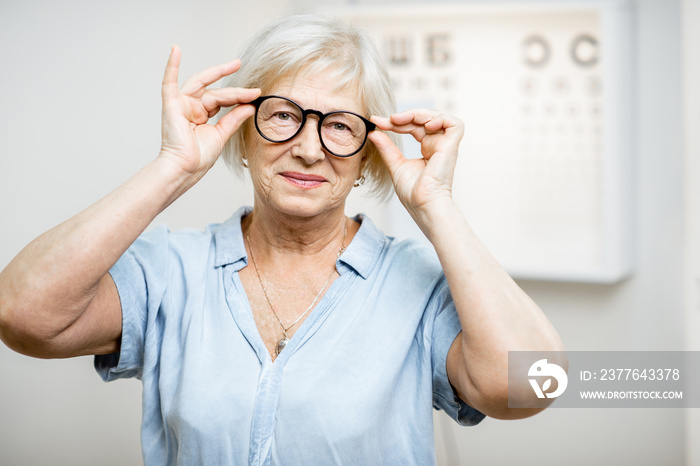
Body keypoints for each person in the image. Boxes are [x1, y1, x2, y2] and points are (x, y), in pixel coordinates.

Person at [0, 14, 564, 465]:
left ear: (369, 154)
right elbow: (23, 315)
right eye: (284, 115)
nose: (310, 149)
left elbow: (535, 385)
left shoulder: (415, 286)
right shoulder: (172, 270)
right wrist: (173, 165)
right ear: (242, 129)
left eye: (341, 125)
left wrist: (436, 206)